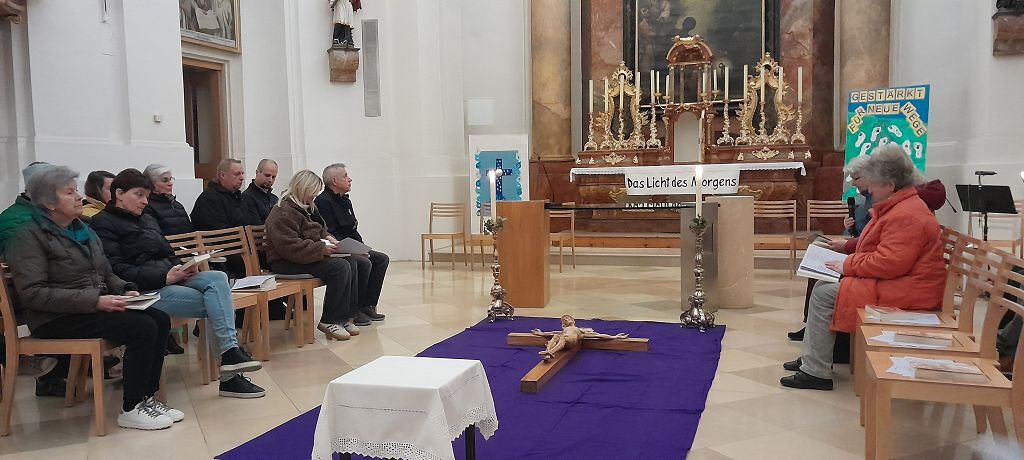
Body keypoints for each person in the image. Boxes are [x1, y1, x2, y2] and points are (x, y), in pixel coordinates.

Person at [7, 165, 182, 430]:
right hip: (55, 318)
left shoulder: (83, 229)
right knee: (142, 326)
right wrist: (95, 300)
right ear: (49, 202)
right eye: (69, 192)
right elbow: (33, 294)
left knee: (158, 318)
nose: (79, 197)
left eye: (76, 190)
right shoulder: (28, 237)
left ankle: (147, 398)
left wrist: (125, 290)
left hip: (88, 308)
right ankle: (131, 407)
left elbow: (107, 272)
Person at [780, 144, 946, 390]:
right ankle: (815, 359)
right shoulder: (901, 205)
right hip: (900, 283)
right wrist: (848, 252)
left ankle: (816, 371)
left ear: (890, 185)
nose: (870, 189)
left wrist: (846, 265)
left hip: (908, 291)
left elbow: (888, 263)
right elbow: (882, 246)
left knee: (824, 293)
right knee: (825, 284)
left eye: (874, 183)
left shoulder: (907, 214)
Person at [90, 169, 265, 398]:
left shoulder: (147, 218)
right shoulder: (102, 224)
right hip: (142, 291)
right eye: (139, 195)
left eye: (146, 196)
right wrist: (165, 276)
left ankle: (230, 354)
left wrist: (183, 266)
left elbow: (167, 253)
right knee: (218, 303)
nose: (145, 201)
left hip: (169, 279)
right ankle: (230, 374)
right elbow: (116, 270)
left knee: (217, 278)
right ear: (119, 194)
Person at [265, 170, 359, 341]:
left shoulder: (307, 207)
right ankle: (329, 320)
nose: (315, 196)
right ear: (303, 189)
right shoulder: (282, 211)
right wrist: (321, 249)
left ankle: (343, 317)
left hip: (304, 255)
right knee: (340, 267)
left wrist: (329, 240)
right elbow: (288, 246)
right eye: (313, 192)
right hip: (285, 261)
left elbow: (320, 229)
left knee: (351, 262)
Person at [316, 163, 387, 325]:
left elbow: (353, 229)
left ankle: (367, 306)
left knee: (381, 259)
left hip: (352, 245)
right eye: (345, 176)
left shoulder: (345, 201)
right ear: (334, 181)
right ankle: (354, 311)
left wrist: (361, 247)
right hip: (338, 248)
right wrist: (353, 249)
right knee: (363, 262)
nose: (350, 179)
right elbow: (330, 233)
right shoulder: (323, 202)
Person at [143, 164, 194, 236]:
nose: (170, 184)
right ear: (151, 184)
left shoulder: (177, 205)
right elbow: (154, 236)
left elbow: (190, 231)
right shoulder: (147, 206)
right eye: (165, 180)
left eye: (170, 179)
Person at [241, 159, 280, 224]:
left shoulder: (274, 199)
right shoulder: (246, 198)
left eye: (273, 177)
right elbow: (255, 226)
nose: (270, 180)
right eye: (267, 175)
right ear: (257, 173)